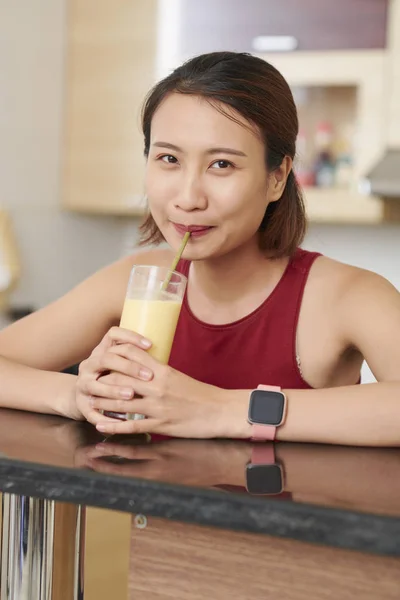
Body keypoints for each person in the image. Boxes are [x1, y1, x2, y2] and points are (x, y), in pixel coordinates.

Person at [0, 52, 399, 446]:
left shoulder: (348, 295)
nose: (188, 198)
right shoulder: (136, 281)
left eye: (222, 165)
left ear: (277, 177)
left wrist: (218, 409)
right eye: (169, 158)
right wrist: (75, 395)